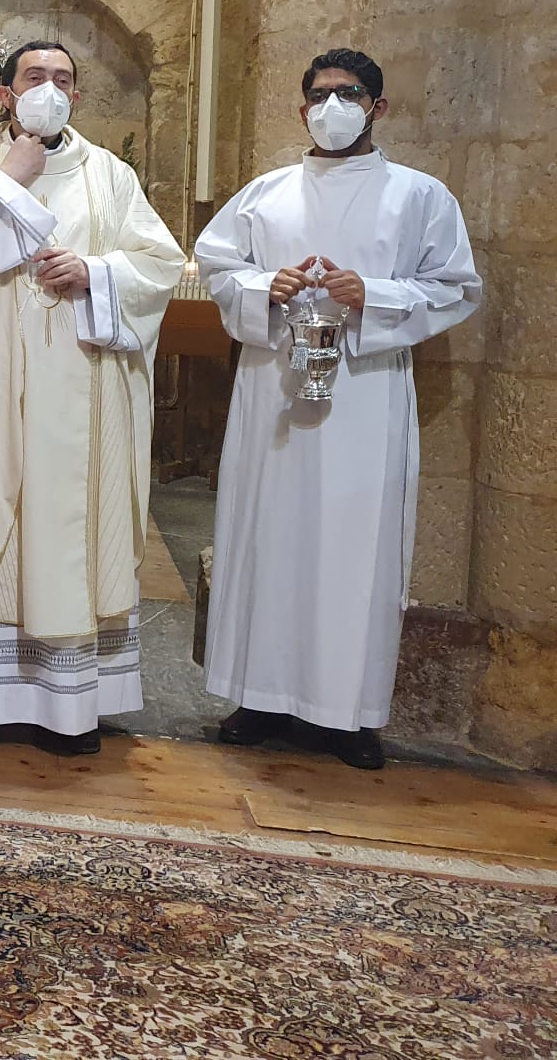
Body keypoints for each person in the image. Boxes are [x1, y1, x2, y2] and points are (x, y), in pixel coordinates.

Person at [195, 49, 481, 771]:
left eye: (349, 94)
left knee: (356, 545)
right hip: (275, 391)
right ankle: (256, 698)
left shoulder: (419, 196)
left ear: (377, 107)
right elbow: (218, 268)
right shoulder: (264, 194)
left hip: (365, 389)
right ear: (302, 110)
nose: (332, 107)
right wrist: (267, 286)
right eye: (319, 95)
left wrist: (374, 296)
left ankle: (347, 714)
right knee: (268, 535)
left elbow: (454, 287)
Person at [0, 40, 184, 754]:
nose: (50, 89)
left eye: (63, 79)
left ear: (78, 97)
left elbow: (158, 263)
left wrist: (94, 271)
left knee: (68, 530)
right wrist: (7, 182)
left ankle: (68, 708)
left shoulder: (110, 176)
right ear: (6, 93)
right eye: (36, 77)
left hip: (79, 388)